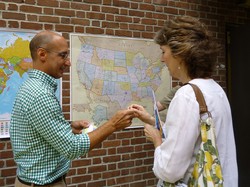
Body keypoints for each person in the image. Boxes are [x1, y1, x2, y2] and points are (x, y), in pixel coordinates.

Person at [10, 30, 137, 187]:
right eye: (63, 56)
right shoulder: (40, 94)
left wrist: (68, 126)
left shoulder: (34, 87)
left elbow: (38, 129)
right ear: (42, 54)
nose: (69, 62)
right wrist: (113, 124)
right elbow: (72, 148)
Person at [129, 16, 238, 186]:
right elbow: (195, 136)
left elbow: (169, 170)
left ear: (180, 54)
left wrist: (157, 141)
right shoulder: (215, 90)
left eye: (164, 51)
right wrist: (151, 120)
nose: (162, 59)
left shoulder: (186, 95)